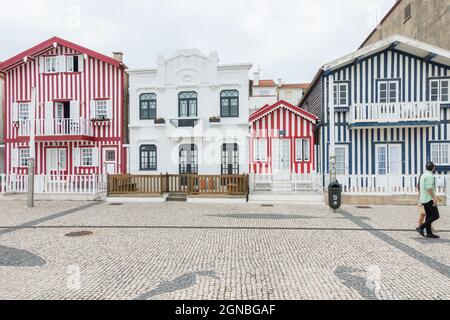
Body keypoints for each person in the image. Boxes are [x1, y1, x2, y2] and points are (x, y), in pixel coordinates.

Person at [416, 162, 440, 239]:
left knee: (429, 215)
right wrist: (434, 198)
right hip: (429, 199)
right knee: (435, 215)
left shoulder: (423, 175)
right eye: (434, 167)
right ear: (433, 168)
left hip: (423, 199)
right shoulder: (430, 176)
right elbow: (429, 188)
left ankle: (429, 233)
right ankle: (421, 227)